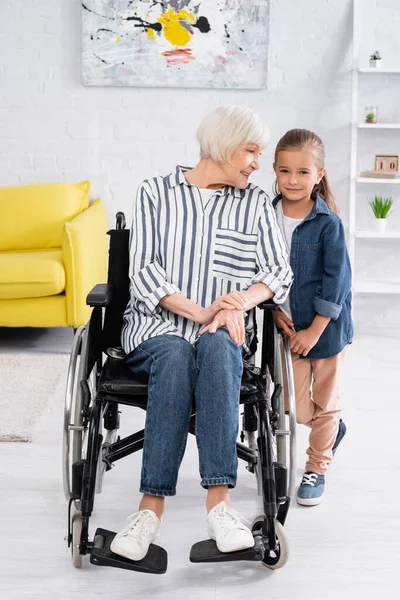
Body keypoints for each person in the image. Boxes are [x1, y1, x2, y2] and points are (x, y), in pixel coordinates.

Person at [110, 106, 293, 562]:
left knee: (217, 345)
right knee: (174, 353)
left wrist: (238, 303)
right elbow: (146, 271)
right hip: (159, 327)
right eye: (251, 151)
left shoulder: (253, 202)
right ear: (222, 144)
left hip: (223, 332)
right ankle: (148, 511)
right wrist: (203, 310)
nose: (257, 163)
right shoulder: (155, 192)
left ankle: (220, 506)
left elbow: (277, 271)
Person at [271, 128, 353, 507]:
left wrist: (316, 330)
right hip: (288, 329)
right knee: (296, 407)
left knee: (326, 399)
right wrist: (273, 315)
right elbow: (259, 272)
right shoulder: (265, 217)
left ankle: (317, 467)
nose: (293, 180)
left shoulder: (328, 224)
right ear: (274, 170)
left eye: (303, 172)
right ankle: (330, 428)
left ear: (319, 175)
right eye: (285, 171)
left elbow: (337, 282)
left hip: (326, 330)